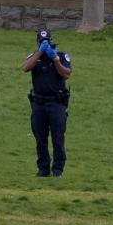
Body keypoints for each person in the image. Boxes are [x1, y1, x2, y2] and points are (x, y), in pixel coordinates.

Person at [21, 28, 72, 178]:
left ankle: (57, 170)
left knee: (57, 137)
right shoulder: (35, 57)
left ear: (51, 40)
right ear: (37, 42)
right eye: (41, 41)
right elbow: (25, 68)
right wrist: (39, 53)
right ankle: (43, 169)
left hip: (57, 103)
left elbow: (66, 74)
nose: (45, 43)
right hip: (39, 103)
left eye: (47, 41)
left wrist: (55, 59)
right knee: (40, 138)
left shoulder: (61, 56)